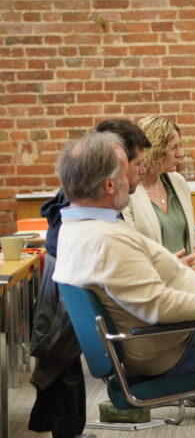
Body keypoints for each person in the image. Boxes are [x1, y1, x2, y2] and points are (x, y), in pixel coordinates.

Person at [52, 132, 195, 381]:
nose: (136, 179)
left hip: (177, 336)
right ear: (110, 185)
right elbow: (157, 305)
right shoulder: (108, 239)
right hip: (183, 344)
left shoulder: (76, 228)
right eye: (126, 173)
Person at [30, 119, 150, 438]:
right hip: (64, 289)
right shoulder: (86, 206)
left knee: (66, 361)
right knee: (64, 361)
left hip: (67, 283)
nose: (141, 171)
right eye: (136, 164)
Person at [122, 116, 195, 295]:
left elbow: (194, 245)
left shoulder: (178, 182)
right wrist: (189, 276)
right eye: (174, 147)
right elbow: (136, 258)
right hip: (164, 286)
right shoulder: (129, 194)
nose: (181, 154)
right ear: (156, 150)